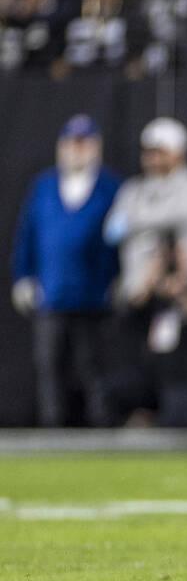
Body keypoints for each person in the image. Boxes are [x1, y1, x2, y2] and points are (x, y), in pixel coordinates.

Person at [103, 116, 187, 426]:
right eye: (149, 151)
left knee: (180, 365)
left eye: (161, 151)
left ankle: (181, 421)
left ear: (178, 152)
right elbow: (113, 231)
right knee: (134, 367)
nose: (153, 158)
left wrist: (140, 222)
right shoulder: (133, 190)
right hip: (138, 295)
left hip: (179, 291)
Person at [10, 114, 121, 426]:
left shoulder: (111, 187)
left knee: (94, 366)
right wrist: (23, 277)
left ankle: (101, 428)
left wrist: (118, 278)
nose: (77, 149)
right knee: (50, 366)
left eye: (84, 142)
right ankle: (53, 429)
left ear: (95, 146)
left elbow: (120, 241)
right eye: (72, 142)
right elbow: (27, 234)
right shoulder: (44, 186)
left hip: (93, 293)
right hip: (52, 292)